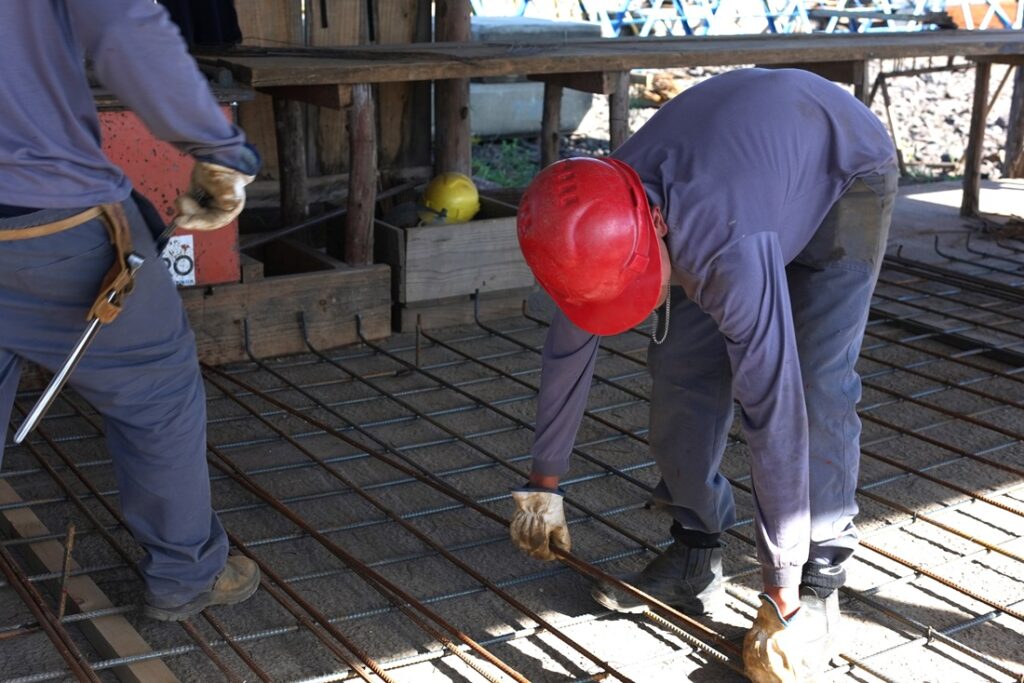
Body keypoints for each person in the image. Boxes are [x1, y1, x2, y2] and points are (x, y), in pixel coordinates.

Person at [509, 68, 898, 680]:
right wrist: (543, 485)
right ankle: (696, 554)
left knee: (816, 380)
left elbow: (774, 408)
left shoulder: (729, 247)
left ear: (656, 230)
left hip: (842, 168)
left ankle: (819, 585)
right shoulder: (590, 219)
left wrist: (782, 592)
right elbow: (568, 349)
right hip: (745, 174)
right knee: (682, 372)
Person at [0, 1, 262, 621]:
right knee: (155, 387)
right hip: (44, 210)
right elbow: (123, 28)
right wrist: (222, 147)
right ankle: (187, 573)